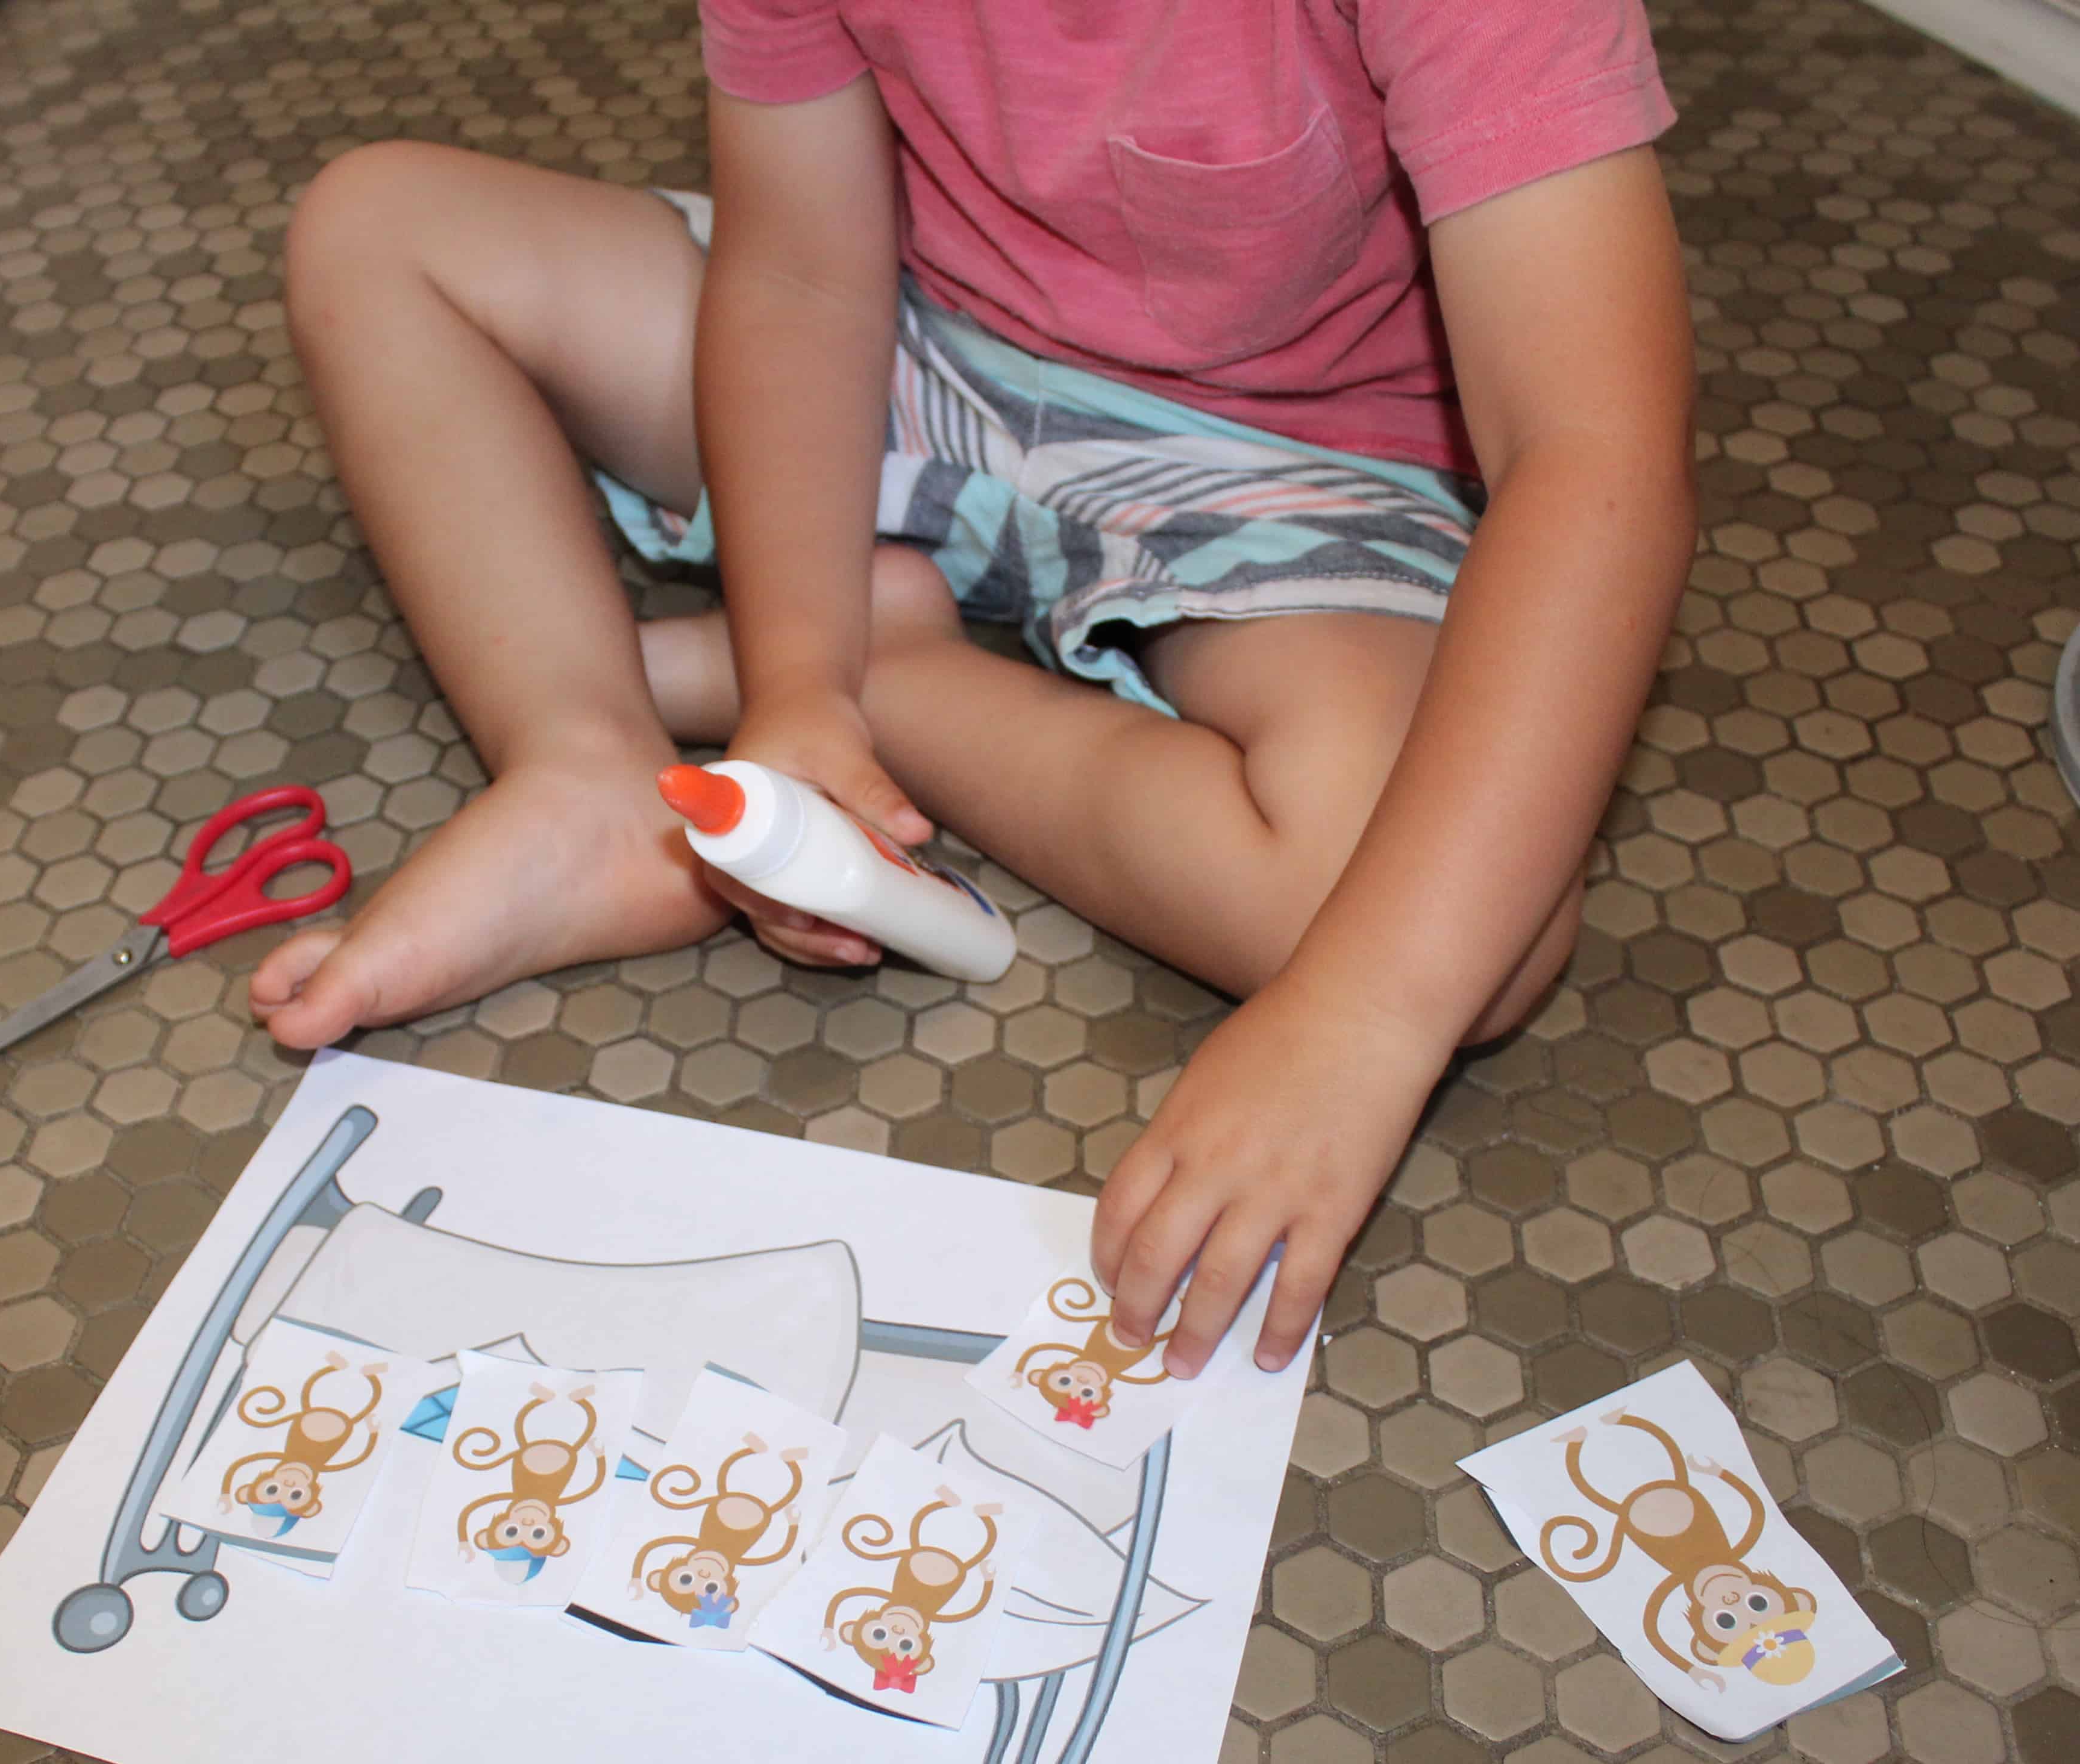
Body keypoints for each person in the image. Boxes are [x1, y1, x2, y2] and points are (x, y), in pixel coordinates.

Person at [249, 1, 1696, 1383]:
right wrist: (794, 678)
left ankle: (908, 672)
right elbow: (805, 275)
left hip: (1287, 462)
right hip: (914, 347)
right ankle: (583, 763)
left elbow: (1595, 452)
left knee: (1452, 933)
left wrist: (1367, 1016)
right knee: (378, 226)